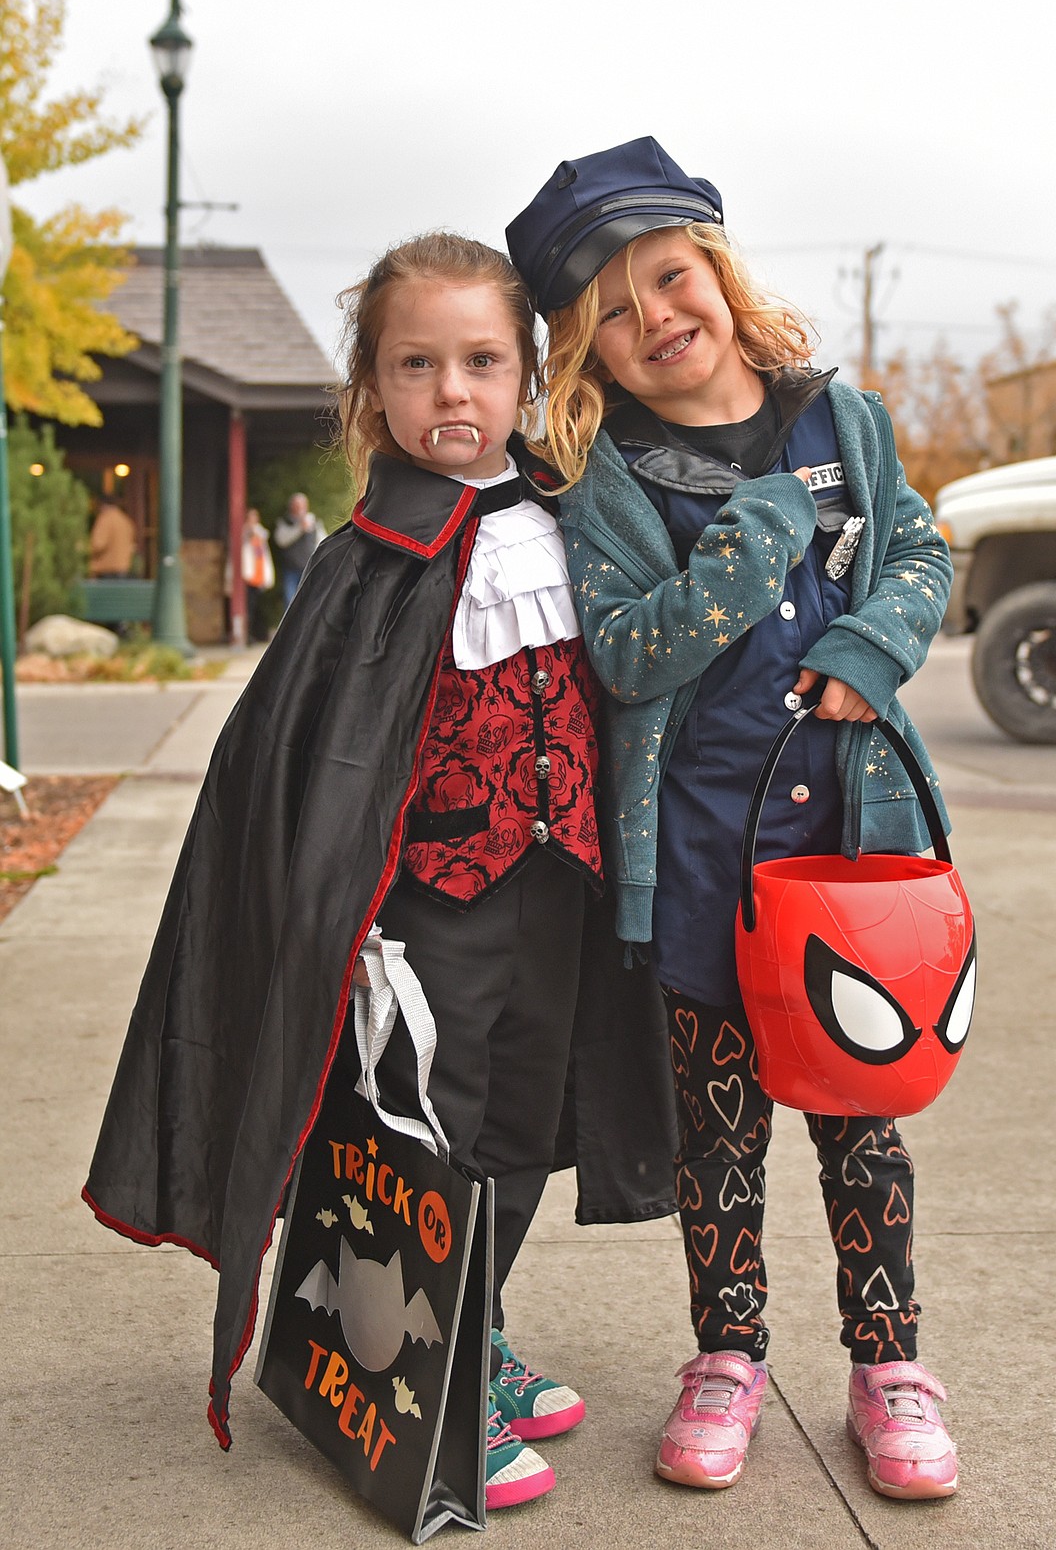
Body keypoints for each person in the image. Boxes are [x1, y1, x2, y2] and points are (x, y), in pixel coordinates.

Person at [82, 232, 675, 1511]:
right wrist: (334, 918)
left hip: (556, 884)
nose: (451, 391)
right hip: (422, 910)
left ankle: (484, 1323)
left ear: (527, 375)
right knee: (430, 1127)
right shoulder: (364, 560)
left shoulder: (578, 523)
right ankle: (426, 1365)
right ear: (373, 390)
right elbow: (303, 765)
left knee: (523, 1121)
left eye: (480, 360)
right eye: (418, 364)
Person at [507, 138, 959, 1501]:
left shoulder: (842, 417)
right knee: (716, 1133)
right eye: (612, 313)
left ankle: (889, 1364)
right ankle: (727, 1354)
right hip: (697, 862)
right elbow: (629, 655)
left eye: (668, 276)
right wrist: (753, 545)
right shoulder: (607, 476)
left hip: (852, 857)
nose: (655, 318)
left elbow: (924, 551)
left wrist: (870, 645)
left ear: (715, 267)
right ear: (586, 351)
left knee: (860, 1117)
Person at [273, 490, 325, 606]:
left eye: (302, 505)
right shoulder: (285, 522)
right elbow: (281, 540)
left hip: (309, 568)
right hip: (291, 569)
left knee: (309, 601)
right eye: (297, 505)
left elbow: (322, 542)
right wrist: (300, 528)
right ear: (291, 507)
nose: (300, 508)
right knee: (290, 601)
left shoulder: (314, 522)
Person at [239, 507, 275, 644]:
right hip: (247, 576)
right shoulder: (243, 533)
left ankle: (254, 634)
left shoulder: (261, 534)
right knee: (248, 607)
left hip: (258, 576)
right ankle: (246, 635)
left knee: (255, 607)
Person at [89, 492, 136, 578]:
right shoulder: (125, 520)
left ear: (102, 505)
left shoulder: (105, 519)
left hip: (105, 569)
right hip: (123, 567)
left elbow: (98, 544)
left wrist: (84, 549)